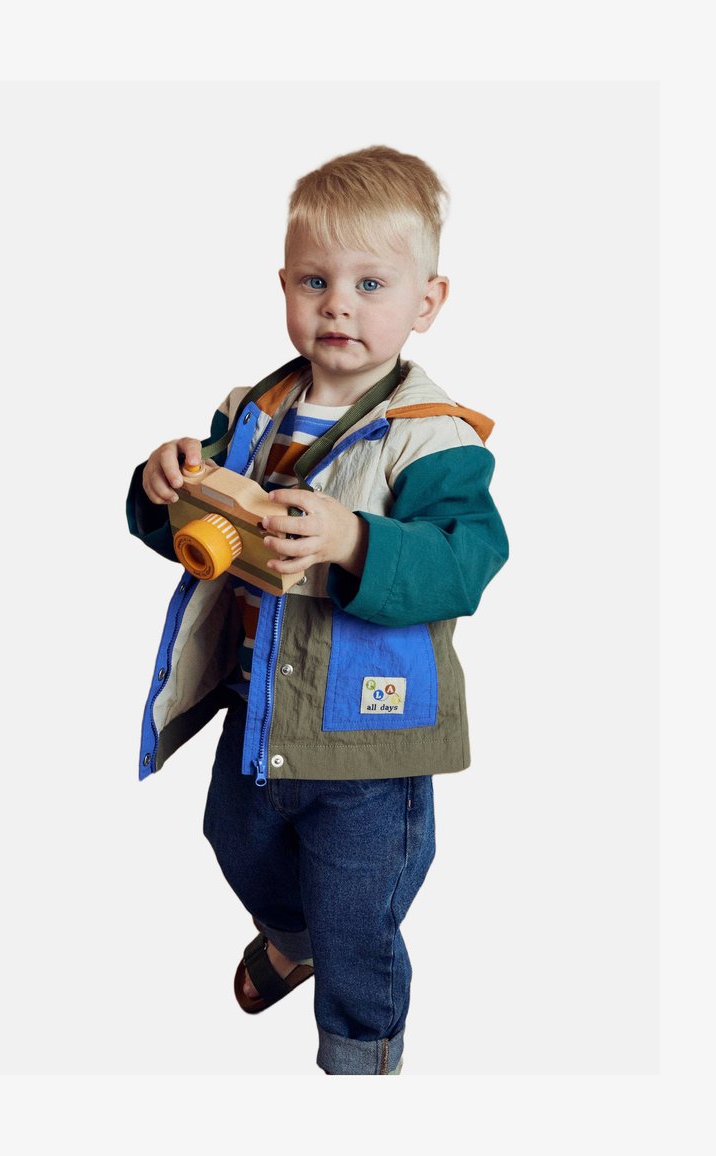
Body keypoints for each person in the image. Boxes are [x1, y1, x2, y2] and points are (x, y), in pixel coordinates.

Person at [126, 145, 509, 1075]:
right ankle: (288, 937)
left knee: (358, 908)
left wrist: (355, 542)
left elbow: (470, 559)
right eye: (315, 279)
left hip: (366, 734)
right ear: (286, 286)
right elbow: (184, 524)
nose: (338, 303)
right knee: (236, 837)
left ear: (426, 302)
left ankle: (360, 1046)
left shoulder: (433, 436)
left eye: (371, 282)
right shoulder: (253, 409)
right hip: (257, 706)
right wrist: (160, 484)